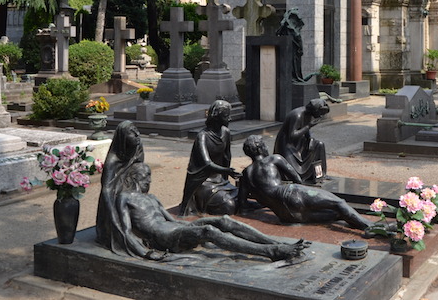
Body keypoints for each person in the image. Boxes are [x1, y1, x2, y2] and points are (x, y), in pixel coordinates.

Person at [116, 162, 308, 262]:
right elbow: (125, 231)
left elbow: (171, 219)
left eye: (149, 177)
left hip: (175, 229)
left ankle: (276, 242)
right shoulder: (125, 198)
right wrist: (146, 253)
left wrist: (193, 226)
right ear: (134, 178)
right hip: (164, 238)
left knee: (223, 221)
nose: (148, 181)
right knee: (208, 231)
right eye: (145, 177)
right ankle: (271, 251)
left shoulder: (152, 198)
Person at [239, 135, 374, 232]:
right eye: (264, 145)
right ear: (260, 148)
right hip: (290, 193)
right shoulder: (274, 159)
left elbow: (243, 206)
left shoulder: (246, 173)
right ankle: (373, 228)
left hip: (285, 215)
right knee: (339, 204)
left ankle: (367, 227)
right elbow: (297, 178)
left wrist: (265, 204)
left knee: (336, 214)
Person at [178, 100, 239, 216]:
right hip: (205, 182)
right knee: (229, 206)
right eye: (226, 116)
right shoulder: (203, 136)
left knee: (241, 199)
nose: (229, 119)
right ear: (216, 117)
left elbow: (227, 157)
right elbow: (207, 163)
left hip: (220, 180)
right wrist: (226, 171)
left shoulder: (226, 132)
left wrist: (226, 177)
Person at [96, 120, 145, 252]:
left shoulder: (137, 148)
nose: (137, 134)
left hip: (131, 184)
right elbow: (106, 189)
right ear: (123, 137)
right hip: (115, 192)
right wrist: (113, 216)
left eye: (137, 130)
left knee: (143, 170)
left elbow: (139, 169)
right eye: (131, 132)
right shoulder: (113, 160)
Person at [274, 98, 328, 183]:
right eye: (320, 113)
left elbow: (305, 130)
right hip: (288, 146)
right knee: (293, 174)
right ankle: (304, 176)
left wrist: (309, 139)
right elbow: (292, 135)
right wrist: (309, 126)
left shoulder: (309, 114)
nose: (320, 116)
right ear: (315, 110)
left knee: (319, 145)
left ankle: (321, 174)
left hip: (300, 142)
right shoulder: (297, 115)